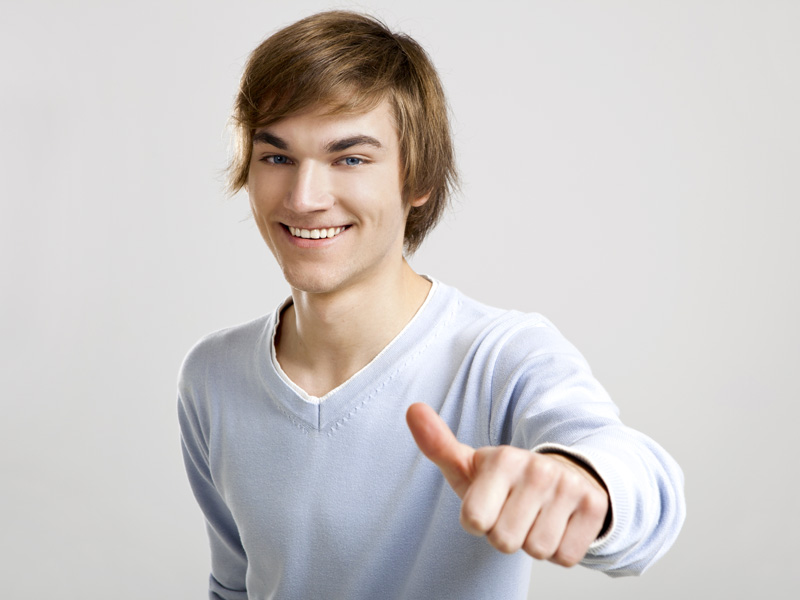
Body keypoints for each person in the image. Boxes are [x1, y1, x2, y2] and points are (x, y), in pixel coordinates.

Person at [178, 10, 685, 600]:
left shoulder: (501, 357)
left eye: (350, 158)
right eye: (277, 157)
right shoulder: (212, 376)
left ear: (417, 179)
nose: (304, 197)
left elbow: (638, 482)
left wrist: (585, 481)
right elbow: (235, 586)